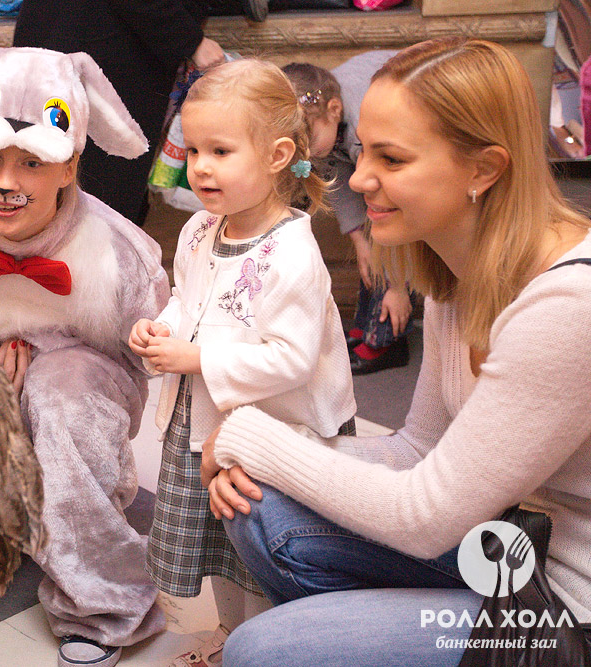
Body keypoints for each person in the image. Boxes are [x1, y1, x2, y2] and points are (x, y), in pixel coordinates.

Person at [202, 38, 591, 666]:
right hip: (513, 543)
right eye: (362, 150)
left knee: (262, 651)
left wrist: (252, 436)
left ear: (483, 170)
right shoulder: (458, 269)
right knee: (258, 508)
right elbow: (419, 450)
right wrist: (267, 450)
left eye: (392, 158)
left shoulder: (569, 306)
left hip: (564, 607)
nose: (358, 178)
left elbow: (425, 515)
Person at [0, 46, 171, 667]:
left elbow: (150, 359)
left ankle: (103, 603)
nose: (5, 183)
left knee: (62, 396)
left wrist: (55, 365)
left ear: (70, 165)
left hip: (80, 383)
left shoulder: (117, 251)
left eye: (31, 163)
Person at [127, 58, 357, 667]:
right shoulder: (200, 229)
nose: (200, 166)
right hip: (202, 421)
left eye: (221, 151)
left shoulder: (292, 254)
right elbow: (187, 299)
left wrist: (196, 356)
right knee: (216, 545)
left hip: (272, 429)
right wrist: (162, 328)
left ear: (278, 156)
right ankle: (231, 634)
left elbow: (292, 359)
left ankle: (268, 642)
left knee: (256, 545)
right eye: (193, 149)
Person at [13, 0, 224, 226]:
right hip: (100, 47)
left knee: (69, 199)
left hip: (86, 41)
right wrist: (189, 40)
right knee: (90, 205)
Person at [282, 53, 415, 375]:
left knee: (387, 232)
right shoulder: (324, 115)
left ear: (334, 110)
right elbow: (339, 179)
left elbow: (401, 210)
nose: (305, 156)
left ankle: (387, 340)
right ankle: (367, 326)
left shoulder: (366, 129)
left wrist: (398, 287)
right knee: (372, 250)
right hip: (381, 164)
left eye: (309, 143)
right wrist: (359, 240)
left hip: (410, 181)